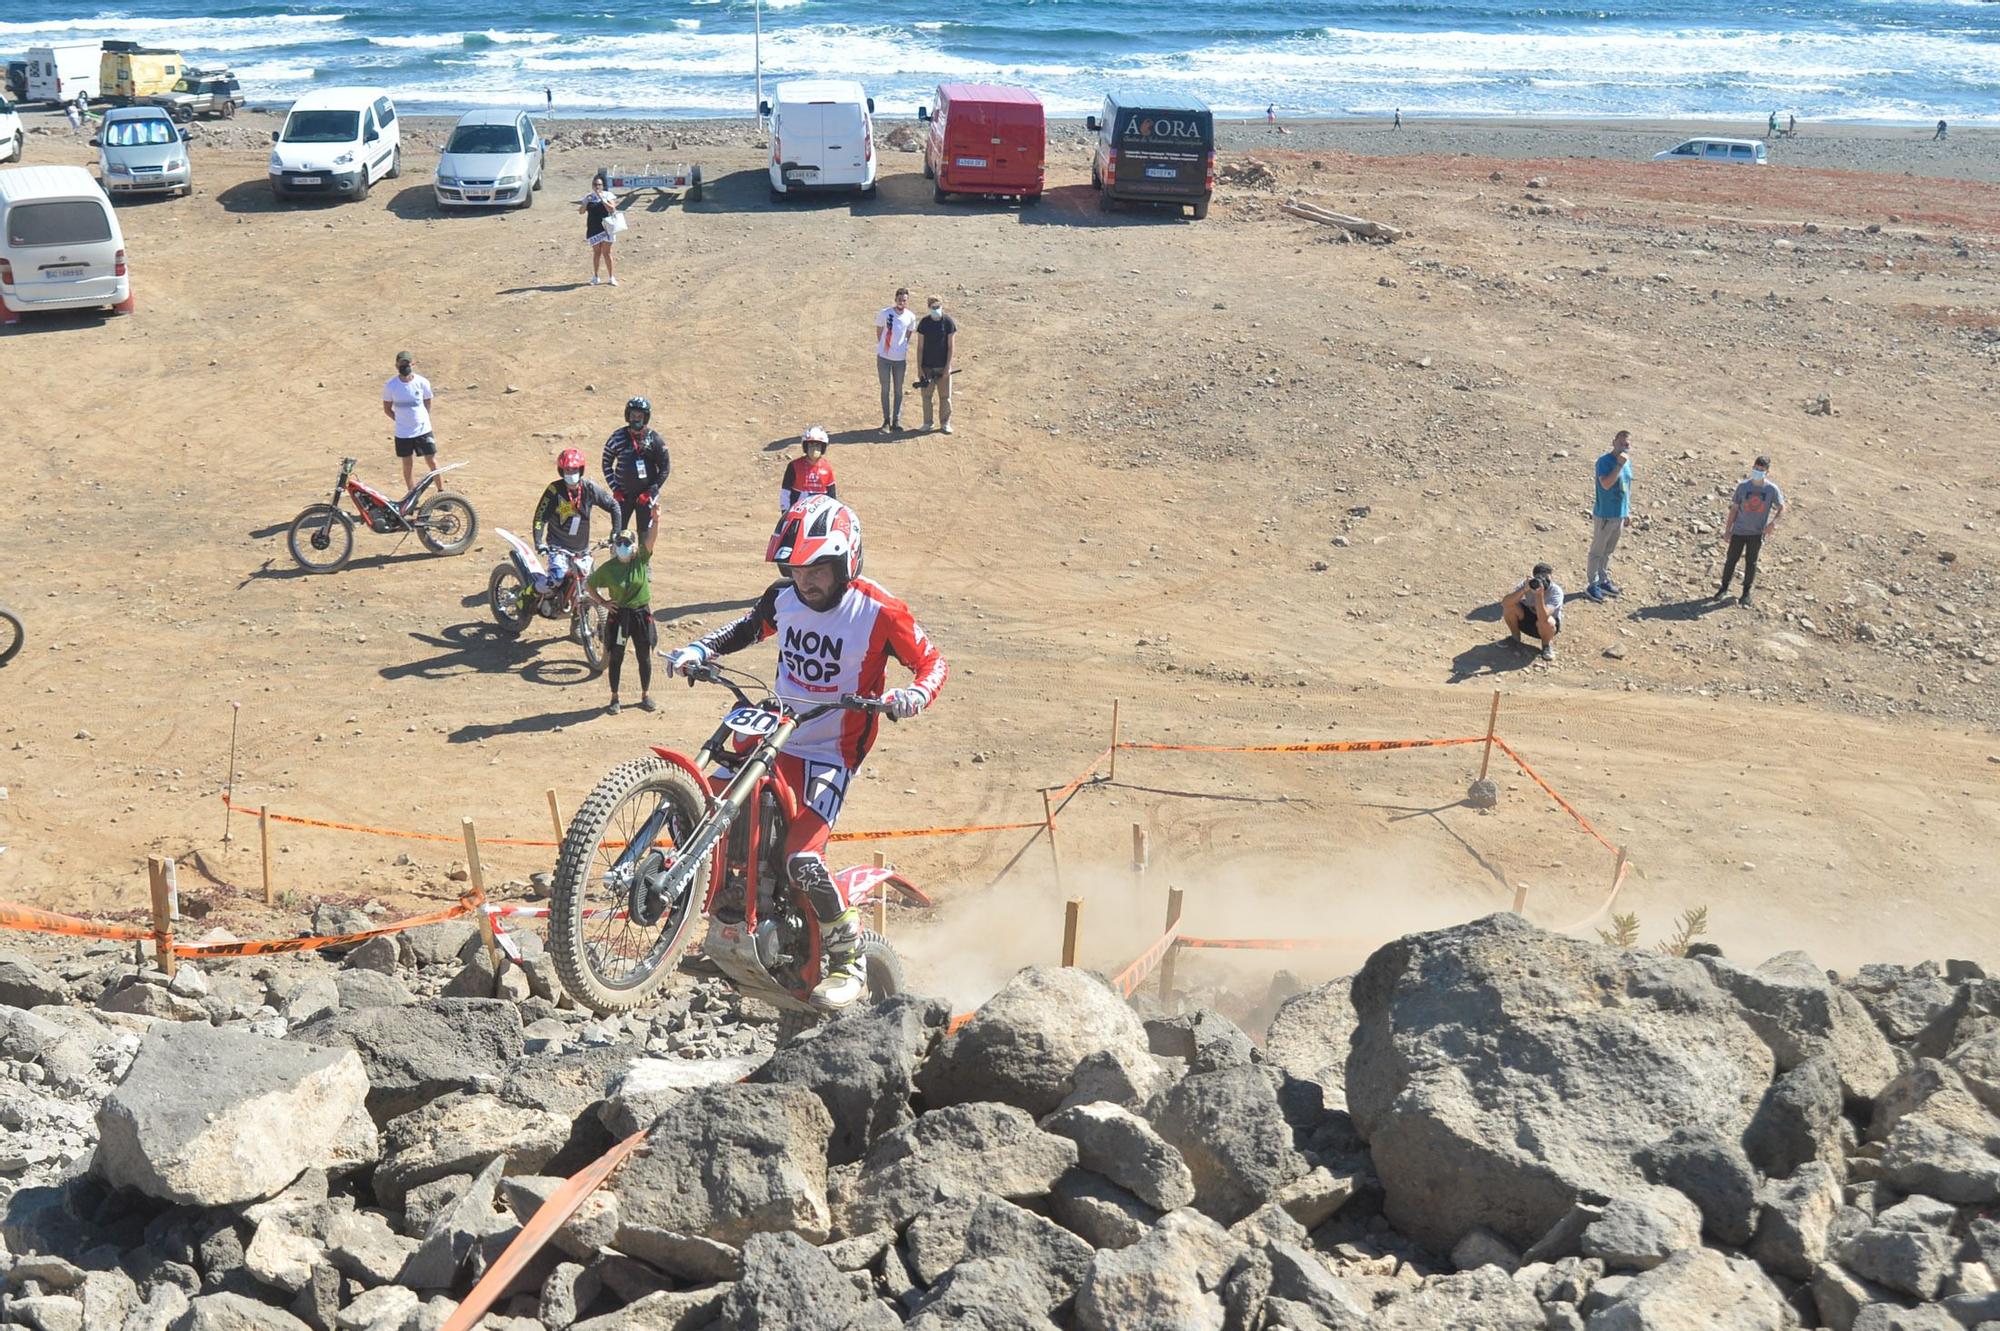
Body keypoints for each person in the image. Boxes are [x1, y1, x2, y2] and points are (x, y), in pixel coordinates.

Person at [664, 495, 947, 1008]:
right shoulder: (784, 598)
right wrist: (700, 649)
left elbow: (933, 665)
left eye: (817, 568)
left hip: (832, 750)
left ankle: (847, 956)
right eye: (795, 569)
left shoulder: (881, 610)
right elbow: (745, 628)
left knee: (801, 859)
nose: (805, 581)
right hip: (777, 729)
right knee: (710, 801)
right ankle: (704, 911)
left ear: (846, 560)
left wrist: (909, 697)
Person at [530, 448, 620, 598]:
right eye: (567, 470)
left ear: (581, 470)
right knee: (555, 580)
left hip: (582, 550)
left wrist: (615, 532)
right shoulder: (553, 490)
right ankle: (527, 594)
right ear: (561, 471)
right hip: (558, 547)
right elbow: (540, 517)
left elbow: (614, 506)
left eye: (574, 470)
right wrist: (539, 542)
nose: (571, 474)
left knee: (590, 586)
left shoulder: (590, 488)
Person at [587, 523, 657, 714]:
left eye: (627, 542)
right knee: (616, 656)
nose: (623, 546)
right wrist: (603, 603)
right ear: (614, 546)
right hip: (620, 616)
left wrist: (655, 520)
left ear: (634, 545)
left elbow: (651, 540)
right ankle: (615, 697)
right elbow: (589, 585)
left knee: (644, 655)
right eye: (619, 542)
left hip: (641, 614)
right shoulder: (609, 568)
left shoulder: (640, 560)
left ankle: (645, 695)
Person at [1716, 455, 1785, 607]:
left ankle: (1746, 593)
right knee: (1731, 560)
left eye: (1761, 470)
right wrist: (1728, 530)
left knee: (1751, 563)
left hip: (1756, 533)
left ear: (1767, 471)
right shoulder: (1743, 487)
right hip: (1739, 531)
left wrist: (1773, 523)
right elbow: (1734, 509)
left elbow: (1782, 507)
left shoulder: (1771, 489)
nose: (1757, 471)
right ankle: (1723, 588)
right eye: (1756, 468)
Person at [602, 397, 670, 544]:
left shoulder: (655, 439)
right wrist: (615, 489)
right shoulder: (617, 437)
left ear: (646, 417)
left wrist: (650, 491)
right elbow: (606, 463)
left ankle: (644, 565)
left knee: (645, 535)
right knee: (617, 533)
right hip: (623, 497)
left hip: (645, 498)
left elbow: (665, 469)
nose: (636, 419)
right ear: (628, 416)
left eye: (640, 416)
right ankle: (615, 564)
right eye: (633, 415)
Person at [1585, 430, 1633, 602]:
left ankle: (1603, 580)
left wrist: (1627, 511)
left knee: (1609, 551)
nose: (1624, 447)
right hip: (1605, 515)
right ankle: (1592, 584)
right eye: (1621, 444)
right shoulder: (1604, 462)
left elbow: (1627, 486)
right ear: (1614, 442)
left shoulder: (1627, 462)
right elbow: (1605, 484)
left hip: (1619, 515)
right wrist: (1618, 465)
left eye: (1627, 445)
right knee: (1597, 551)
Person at [381, 350, 438, 494]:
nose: (404, 366)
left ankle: (441, 492)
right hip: (403, 433)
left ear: (412, 363)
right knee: (407, 464)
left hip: (423, 430)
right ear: (396, 365)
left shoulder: (422, 382)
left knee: (431, 461)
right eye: (401, 363)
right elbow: (387, 409)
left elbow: (427, 402)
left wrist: (422, 418)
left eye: (406, 363)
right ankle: (411, 495)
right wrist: (400, 420)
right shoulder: (391, 386)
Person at [1500, 562, 1564, 662]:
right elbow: (1505, 603)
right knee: (1510, 607)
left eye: (1546, 578)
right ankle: (1515, 638)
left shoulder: (1556, 592)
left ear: (1551, 576)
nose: (1543, 582)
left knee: (1548, 621)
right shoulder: (1529, 584)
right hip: (1527, 620)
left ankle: (1546, 645)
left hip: (1545, 626)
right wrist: (1523, 590)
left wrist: (1539, 595)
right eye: (1540, 578)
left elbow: (1543, 617)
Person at [874, 287, 917, 434]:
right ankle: (886, 420)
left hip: (900, 360)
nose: (901, 302)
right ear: (895, 299)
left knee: (898, 390)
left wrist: (900, 348)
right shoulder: (885, 313)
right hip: (884, 358)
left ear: (907, 301)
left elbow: (908, 334)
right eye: (899, 299)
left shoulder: (910, 317)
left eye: (904, 300)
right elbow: (879, 331)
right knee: (885, 389)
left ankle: (896, 420)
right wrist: (885, 347)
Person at [915, 295, 957, 434]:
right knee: (926, 397)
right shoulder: (924, 323)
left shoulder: (948, 322)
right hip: (927, 367)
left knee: (945, 397)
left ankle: (945, 423)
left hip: (942, 366)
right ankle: (927, 422)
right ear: (929, 308)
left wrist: (947, 368)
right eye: (933, 307)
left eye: (938, 307)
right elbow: (920, 347)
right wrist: (919, 368)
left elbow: (951, 347)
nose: (936, 310)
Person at [780, 427, 838, 516]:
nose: (814, 449)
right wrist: (785, 512)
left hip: (819, 514)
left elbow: (832, 495)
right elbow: (785, 492)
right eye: (811, 445)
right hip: (797, 513)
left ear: (823, 448)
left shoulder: (827, 468)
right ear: (805, 447)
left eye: (818, 445)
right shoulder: (794, 466)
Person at [579, 172, 619, 286]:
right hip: (593, 228)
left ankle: (611, 277)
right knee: (597, 253)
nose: (597, 187)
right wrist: (585, 202)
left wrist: (602, 199)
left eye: (599, 184)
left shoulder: (608, 195)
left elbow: (612, 209)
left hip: (607, 228)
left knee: (607, 253)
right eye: (595, 184)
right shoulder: (589, 197)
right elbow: (581, 212)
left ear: (603, 185)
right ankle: (596, 276)